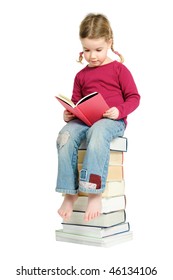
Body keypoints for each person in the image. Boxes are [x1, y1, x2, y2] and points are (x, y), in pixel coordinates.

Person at [56, 13, 140, 222]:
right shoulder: (81, 75)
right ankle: (69, 191)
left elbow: (134, 97)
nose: (92, 56)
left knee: (98, 131)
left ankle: (94, 193)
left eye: (98, 50)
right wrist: (69, 114)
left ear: (109, 43)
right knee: (64, 135)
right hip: (84, 119)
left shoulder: (119, 70)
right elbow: (77, 101)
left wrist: (118, 111)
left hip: (111, 121)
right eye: (86, 50)